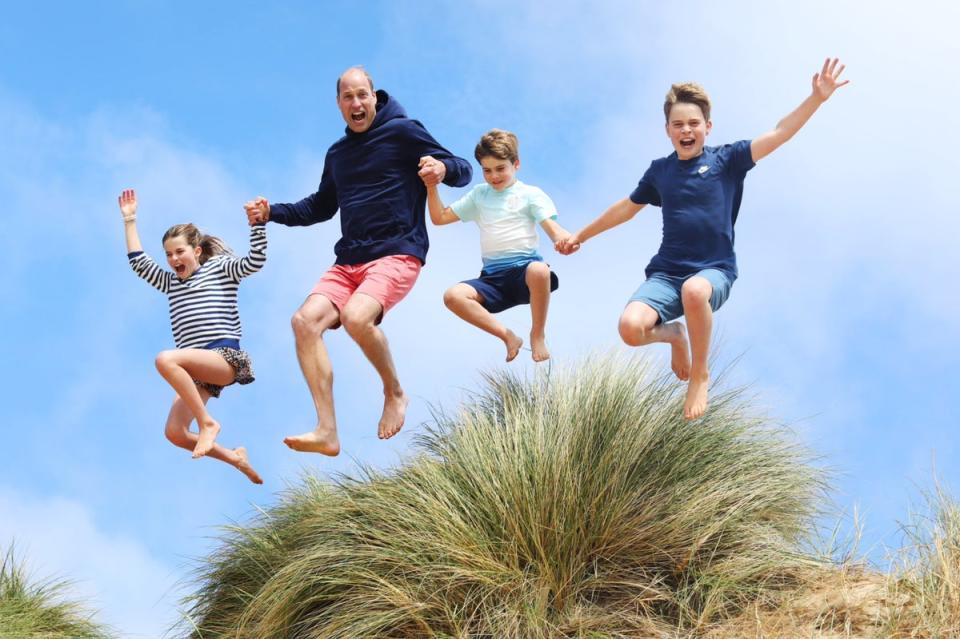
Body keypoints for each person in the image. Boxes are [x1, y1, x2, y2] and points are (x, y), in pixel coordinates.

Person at [558, 58, 848, 420]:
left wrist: (816, 99)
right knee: (630, 329)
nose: (686, 130)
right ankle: (675, 336)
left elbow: (780, 132)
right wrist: (581, 235)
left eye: (693, 123)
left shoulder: (728, 160)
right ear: (667, 130)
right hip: (666, 274)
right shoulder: (660, 171)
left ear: (707, 127)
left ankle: (700, 374)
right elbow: (626, 208)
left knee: (695, 291)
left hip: (714, 270)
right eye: (678, 124)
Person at [245, 66, 471, 456]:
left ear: (374, 96)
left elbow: (463, 170)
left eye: (362, 95)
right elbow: (319, 206)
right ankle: (327, 431)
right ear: (338, 104)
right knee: (303, 322)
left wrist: (441, 168)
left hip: (398, 252)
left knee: (355, 317)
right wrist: (272, 213)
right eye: (348, 97)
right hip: (349, 261)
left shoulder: (403, 132)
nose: (356, 103)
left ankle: (394, 392)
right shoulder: (338, 154)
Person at [119, 188, 266, 484]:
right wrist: (130, 220)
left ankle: (207, 423)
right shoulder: (170, 283)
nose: (173, 259)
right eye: (169, 254)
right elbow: (138, 262)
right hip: (197, 370)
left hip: (224, 358)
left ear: (196, 251)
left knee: (165, 359)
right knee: (174, 432)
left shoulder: (219, 269)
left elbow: (254, 262)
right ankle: (235, 458)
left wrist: (258, 226)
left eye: (180, 252)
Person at [422, 129, 570, 362]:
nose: (494, 176)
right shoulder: (480, 195)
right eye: (487, 170)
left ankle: (537, 334)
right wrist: (431, 186)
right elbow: (439, 217)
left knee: (540, 269)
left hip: (525, 275)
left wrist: (562, 240)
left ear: (516, 164)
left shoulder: (530, 194)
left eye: (500, 168)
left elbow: (552, 228)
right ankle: (508, 336)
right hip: (493, 280)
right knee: (453, 296)